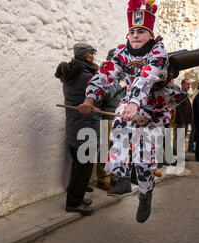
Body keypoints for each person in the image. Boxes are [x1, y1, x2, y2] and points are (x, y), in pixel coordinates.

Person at [78, 0, 182, 223]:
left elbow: (148, 75)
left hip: (155, 105)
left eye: (141, 31)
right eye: (132, 31)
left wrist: (135, 102)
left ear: (150, 34)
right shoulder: (121, 52)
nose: (135, 35)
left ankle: (146, 194)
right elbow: (106, 74)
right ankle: (123, 177)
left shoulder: (158, 52)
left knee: (145, 157)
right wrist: (90, 97)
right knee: (120, 132)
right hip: (130, 102)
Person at [55, 43, 99, 215]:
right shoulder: (87, 76)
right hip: (86, 126)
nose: (94, 57)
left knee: (78, 165)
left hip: (74, 125)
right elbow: (104, 94)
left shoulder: (70, 73)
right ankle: (73, 203)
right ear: (87, 56)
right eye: (92, 54)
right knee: (84, 167)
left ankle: (78, 197)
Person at [96, 49, 127, 191]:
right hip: (107, 114)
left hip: (119, 116)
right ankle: (102, 179)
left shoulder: (122, 74)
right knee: (105, 148)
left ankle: (115, 177)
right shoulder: (105, 73)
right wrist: (121, 85)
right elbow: (106, 95)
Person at [173, 79, 193, 160]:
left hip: (185, 120)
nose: (189, 86)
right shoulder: (180, 94)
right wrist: (180, 120)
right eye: (187, 84)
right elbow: (178, 108)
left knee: (182, 138)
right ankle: (175, 156)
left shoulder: (185, 94)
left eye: (189, 84)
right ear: (182, 84)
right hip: (181, 120)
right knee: (178, 138)